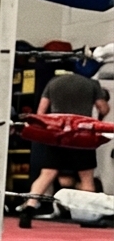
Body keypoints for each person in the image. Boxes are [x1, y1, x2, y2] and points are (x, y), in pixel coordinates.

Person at [19, 71, 111, 228]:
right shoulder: (91, 84)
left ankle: (29, 207)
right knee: (86, 177)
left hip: (57, 134)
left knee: (47, 174)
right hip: (82, 133)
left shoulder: (53, 82)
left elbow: (41, 112)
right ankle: (87, 215)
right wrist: (97, 122)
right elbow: (103, 108)